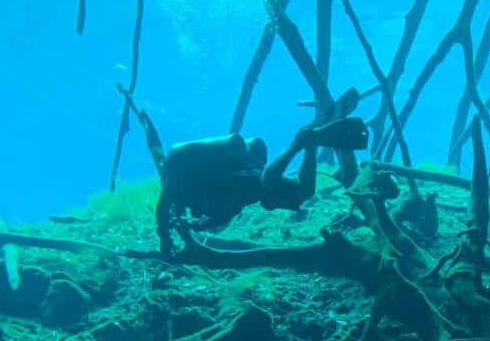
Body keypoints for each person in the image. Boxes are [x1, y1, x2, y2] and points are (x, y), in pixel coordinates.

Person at [134, 101, 369, 256]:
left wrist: (165, 239)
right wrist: (195, 226)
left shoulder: (178, 181)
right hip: (250, 179)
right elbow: (226, 209)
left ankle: (301, 144)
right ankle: (305, 145)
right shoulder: (189, 187)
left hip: (251, 181)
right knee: (294, 191)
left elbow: (163, 207)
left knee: (284, 189)